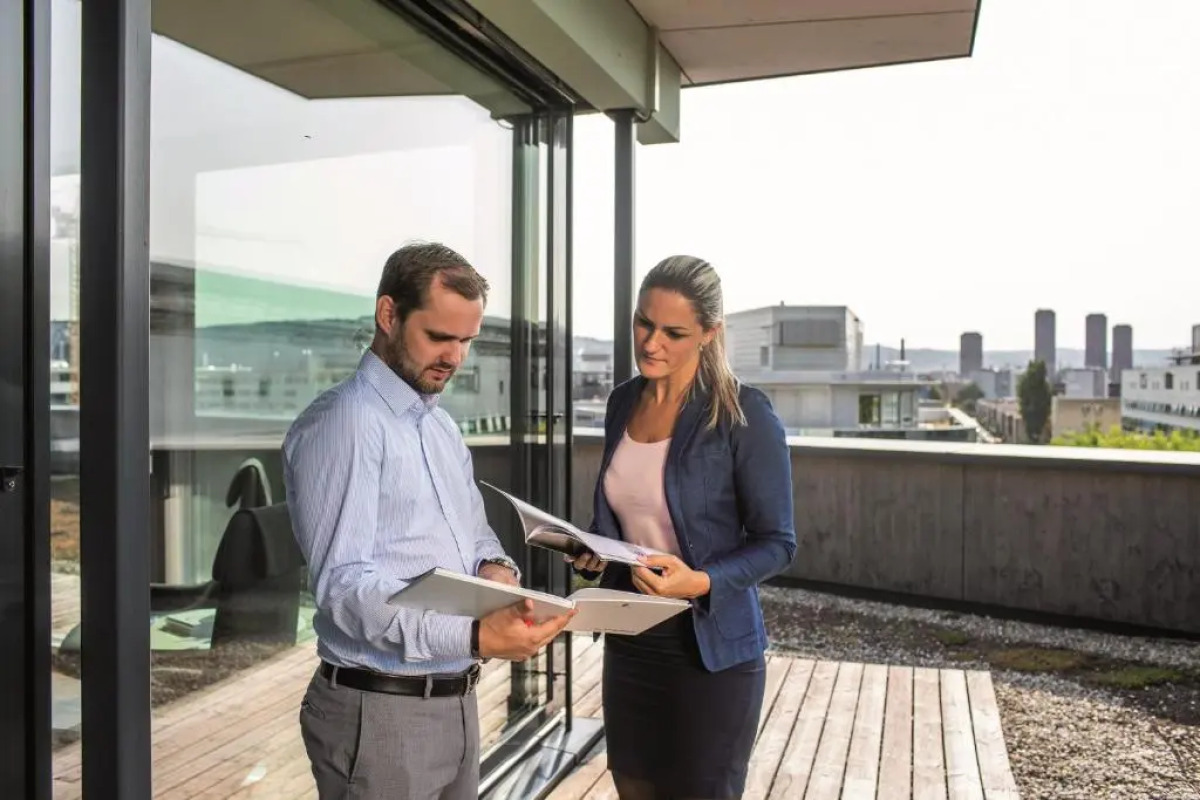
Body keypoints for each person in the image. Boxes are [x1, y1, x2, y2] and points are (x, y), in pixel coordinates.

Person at [284, 242, 575, 800]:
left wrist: (495, 572)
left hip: (456, 702)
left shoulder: (438, 428)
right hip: (381, 716)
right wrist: (472, 632)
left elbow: (475, 534)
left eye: (466, 340)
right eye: (440, 337)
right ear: (388, 314)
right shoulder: (347, 423)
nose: (456, 357)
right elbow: (344, 589)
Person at [569, 255, 797, 800]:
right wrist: (592, 550)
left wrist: (697, 580)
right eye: (643, 323)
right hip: (631, 643)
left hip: (710, 653)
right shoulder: (623, 401)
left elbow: (778, 543)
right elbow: (625, 511)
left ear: (709, 334)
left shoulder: (743, 413)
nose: (651, 342)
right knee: (634, 787)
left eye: (674, 332)